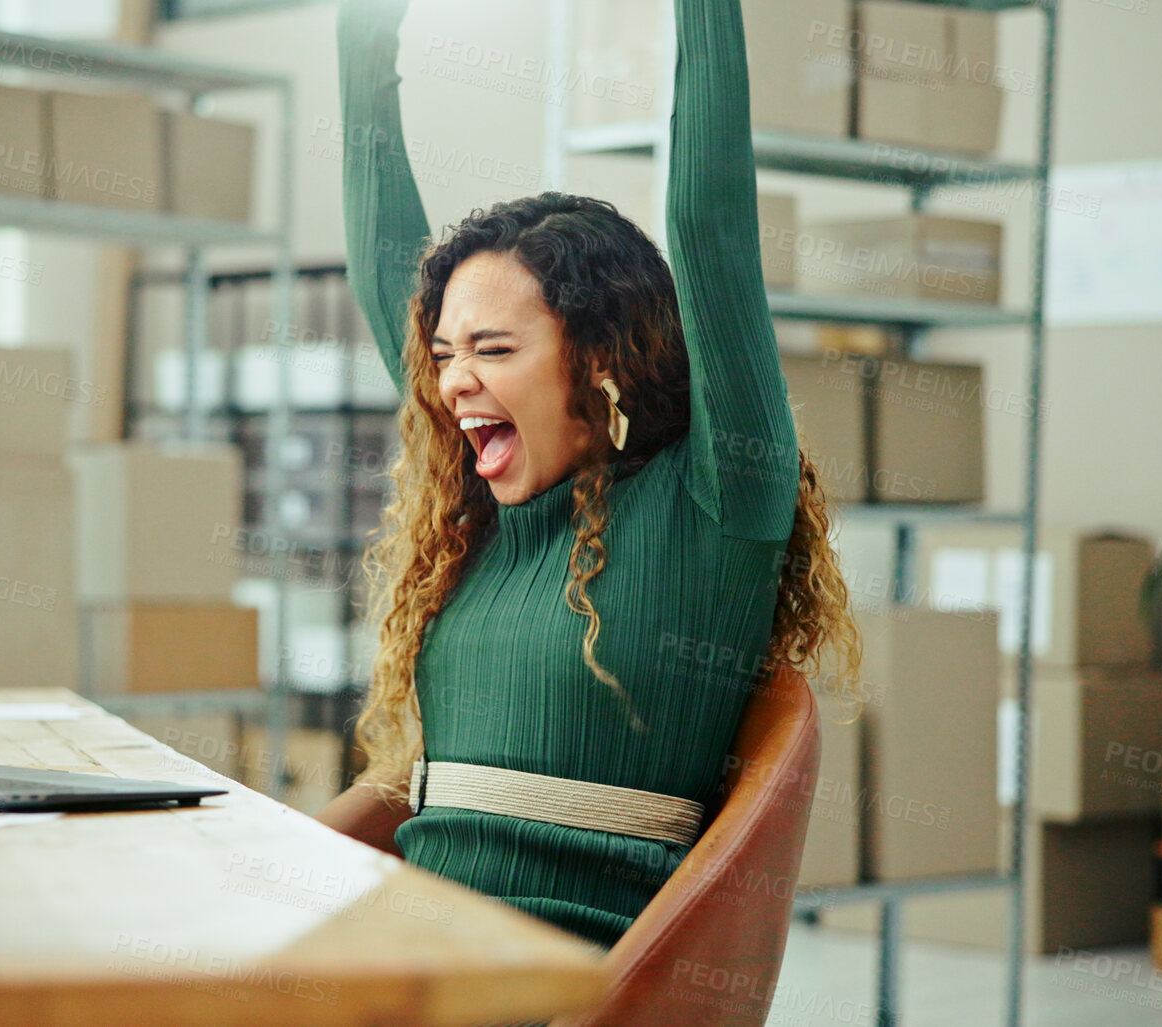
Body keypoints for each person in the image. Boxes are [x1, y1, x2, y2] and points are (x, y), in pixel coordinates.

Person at [317, 0, 864, 954]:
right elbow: (382, 267)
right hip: (405, 964)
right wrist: (364, 36)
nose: (453, 382)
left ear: (601, 358)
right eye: (443, 353)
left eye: (490, 347)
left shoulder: (715, 506)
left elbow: (711, 229)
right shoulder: (484, 524)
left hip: (554, 990)